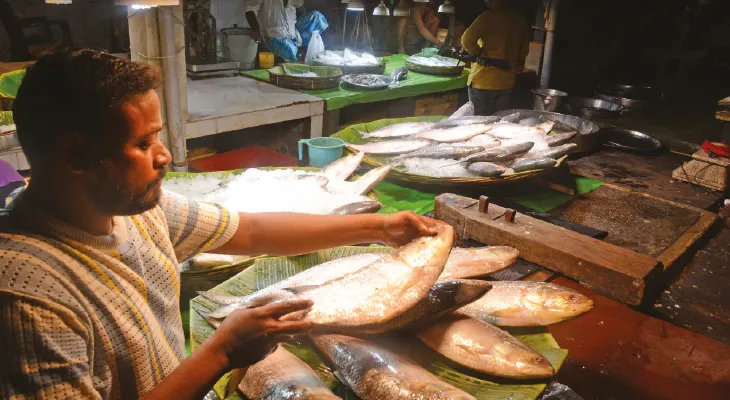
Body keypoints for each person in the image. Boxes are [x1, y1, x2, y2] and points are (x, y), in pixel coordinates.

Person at [0, 49, 449, 399]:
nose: (165, 155)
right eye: (144, 142)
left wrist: (378, 228)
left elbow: (251, 232)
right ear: (76, 156)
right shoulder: (28, 298)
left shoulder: (134, 211)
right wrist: (221, 353)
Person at [461, 0, 530, 115]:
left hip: (484, 81)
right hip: (506, 83)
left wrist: (479, 53)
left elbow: (466, 40)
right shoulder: (521, 20)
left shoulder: (488, 16)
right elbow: (523, 53)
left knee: (478, 122)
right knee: (499, 122)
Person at [244, 0, 328, 62]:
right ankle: (295, 52)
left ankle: (300, 47)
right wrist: (256, 29)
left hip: (293, 32)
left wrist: (304, 25)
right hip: (273, 36)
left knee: (317, 17)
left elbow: (301, 9)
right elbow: (250, 10)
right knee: (290, 50)